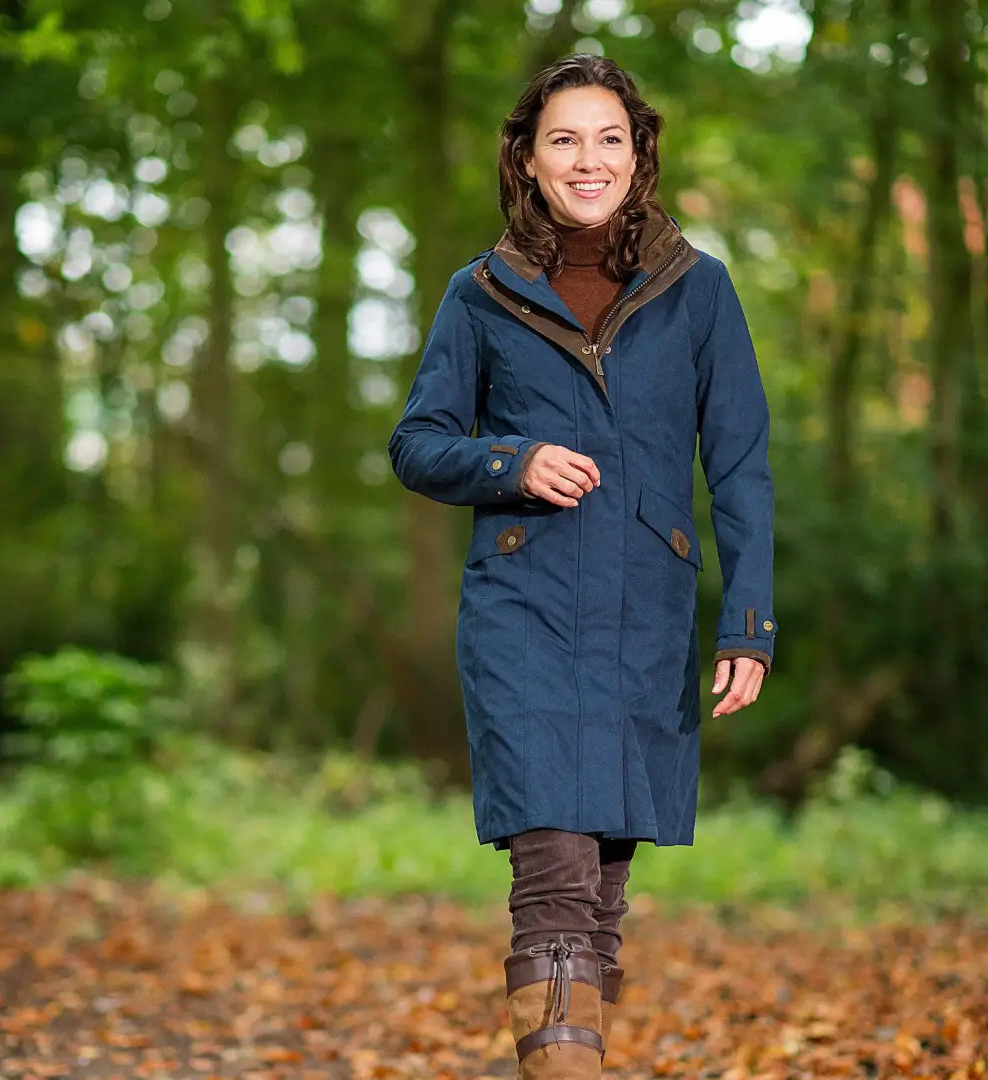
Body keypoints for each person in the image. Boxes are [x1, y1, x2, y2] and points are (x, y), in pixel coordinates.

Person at [388, 53, 776, 1080]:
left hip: (648, 617)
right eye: (564, 139)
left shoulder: (701, 292)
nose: (588, 158)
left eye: (609, 138)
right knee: (554, 873)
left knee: (602, 890)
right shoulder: (480, 294)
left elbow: (739, 466)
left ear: (640, 155)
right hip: (524, 612)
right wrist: (510, 461)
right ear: (527, 157)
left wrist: (749, 622)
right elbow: (417, 443)